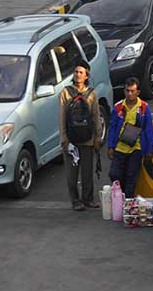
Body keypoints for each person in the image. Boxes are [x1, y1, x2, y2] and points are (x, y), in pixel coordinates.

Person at [59, 59, 102, 211]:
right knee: (72, 174)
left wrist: (98, 138)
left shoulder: (92, 94)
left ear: (86, 76)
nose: (78, 75)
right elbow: (62, 117)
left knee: (87, 172)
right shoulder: (65, 93)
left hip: (88, 138)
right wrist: (64, 139)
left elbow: (96, 117)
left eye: (81, 72)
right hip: (71, 140)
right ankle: (75, 200)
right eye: (76, 72)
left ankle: (88, 198)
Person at [107, 77, 153, 198]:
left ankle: (127, 203)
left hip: (136, 148)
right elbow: (112, 128)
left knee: (131, 176)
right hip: (120, 147)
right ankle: (120, 195)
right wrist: (110, 146)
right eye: (127, 90)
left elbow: (149, 130)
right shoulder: (118, 107)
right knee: (114, 174)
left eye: (132, 91)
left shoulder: (144, 108)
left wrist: (149, 151)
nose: (129, 94)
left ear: (138, 92)